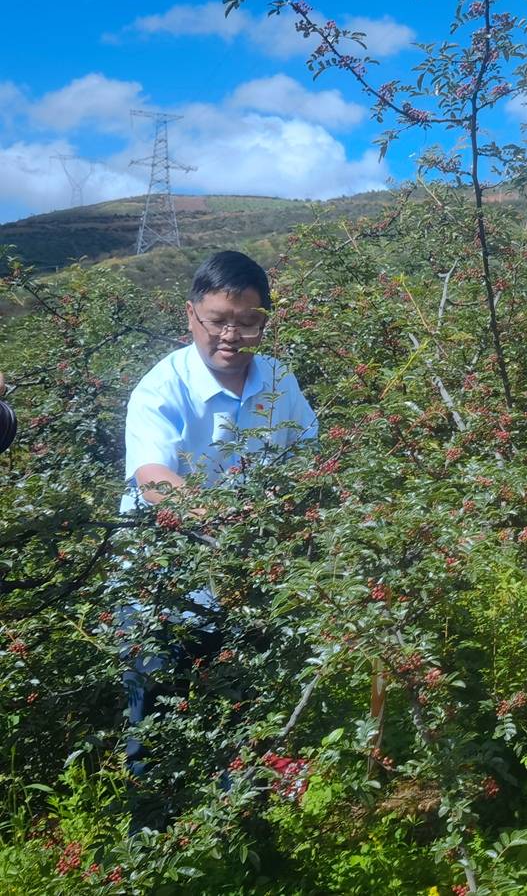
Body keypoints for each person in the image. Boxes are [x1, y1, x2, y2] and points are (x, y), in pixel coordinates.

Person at [119, 250, 317, 828]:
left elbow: (310, 462)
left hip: (248, 577)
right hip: (161, 580)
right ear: (191, 316)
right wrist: (231, 520)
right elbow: (154, 481)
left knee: (247, 705)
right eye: (217, 319)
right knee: (156, 713)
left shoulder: (279, 380)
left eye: (247, 320)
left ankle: (242, 833)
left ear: (264, 320)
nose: (231, 335)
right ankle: (151, 848)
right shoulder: (161, 386)